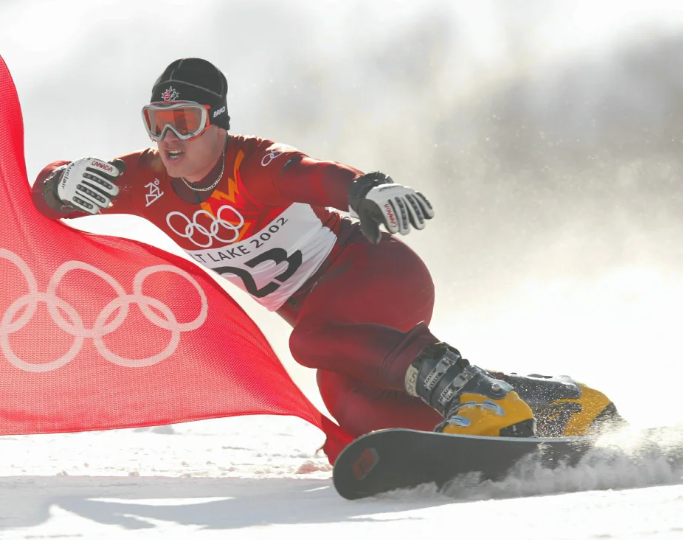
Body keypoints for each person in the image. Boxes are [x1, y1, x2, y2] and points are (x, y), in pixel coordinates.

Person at [32, 58, 623, 440]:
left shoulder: (252, 162)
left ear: (217, 121)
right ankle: (552, 409)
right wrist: (61, 181)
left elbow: (316, 175)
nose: (167, 139)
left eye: (183, 121)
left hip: (375, 275)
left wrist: (369, 187)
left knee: (308, 341)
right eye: (155, 122)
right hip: (340, 322)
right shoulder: (146, 179)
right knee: (358, 414)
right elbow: (42, 197)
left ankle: (483, 398)